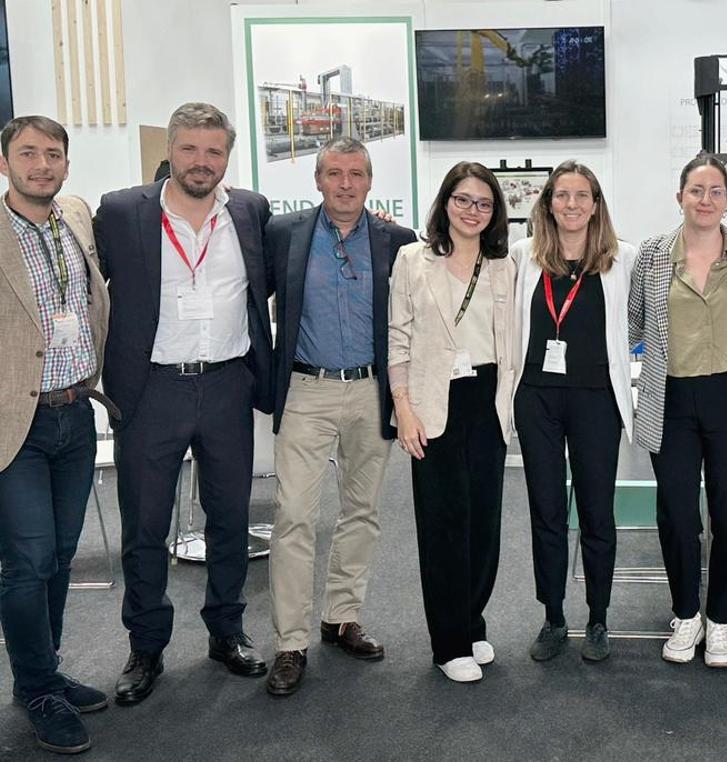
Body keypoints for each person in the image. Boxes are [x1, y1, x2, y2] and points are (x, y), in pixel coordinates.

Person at [93, 102, 274, 705]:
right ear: (170, 150)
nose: (203, 162)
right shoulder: (121, 212)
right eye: (191, 149)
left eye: (214, 151)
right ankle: (146, 645)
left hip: (226, 384)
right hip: (152, 390)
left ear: (228, 156)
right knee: (144, 528)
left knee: (230, 520)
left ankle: (226, 630)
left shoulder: (248, 210)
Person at [261, 137, 416, 696]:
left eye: (355, 173)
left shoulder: (398, 242)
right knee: (294, 515)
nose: (345, 184)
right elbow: (257, 305)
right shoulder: (284, 235)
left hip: (371, 391)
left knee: (362, 511)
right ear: (318, 180)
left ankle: (341, 616)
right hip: (306, 389)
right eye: (334, 173)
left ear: (371, 181)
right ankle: (291, 642)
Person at [628, 153, 727, 668]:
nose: (706, 200)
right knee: (677, 516)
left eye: (715, 191)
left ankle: (721, 623)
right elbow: (634, 324)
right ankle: (686, 614)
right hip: (671, 400)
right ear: (680, 197)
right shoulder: (650, 256)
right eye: (696, 190)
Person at [0, 116, 111, 754]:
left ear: (66, 164)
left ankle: (45, 669)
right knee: (29, 562)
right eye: (28, 154)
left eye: (53, 154)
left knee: (61, 558)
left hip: (77, 412)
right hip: (17, 422)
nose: (41, 164)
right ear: (7, 163)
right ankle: (37, 688)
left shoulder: (74, 216)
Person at [387, 161, 516, 683]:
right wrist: (402, 407)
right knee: (442, 524)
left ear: (495, 213)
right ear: (445, 203)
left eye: (483, 203)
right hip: (431, 401)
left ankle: (472, 622)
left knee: (484, 522)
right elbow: (398, 336)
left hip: (488, 400)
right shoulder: (412, 260)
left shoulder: (505, 264)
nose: (472, 211)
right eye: (463, 200)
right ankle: (448, 643)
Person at [511, 161, 635, 663]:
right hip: (537, 398)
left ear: (596, 204)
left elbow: (639, 322)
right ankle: (554, 617)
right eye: (562, 195)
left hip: (596, 399)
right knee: (545, 510)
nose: (572, 205)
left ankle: (599, 616)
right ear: (547, 204)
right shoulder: (524, 257)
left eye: (582, 195)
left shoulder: (621, 259)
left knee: (596, 510)